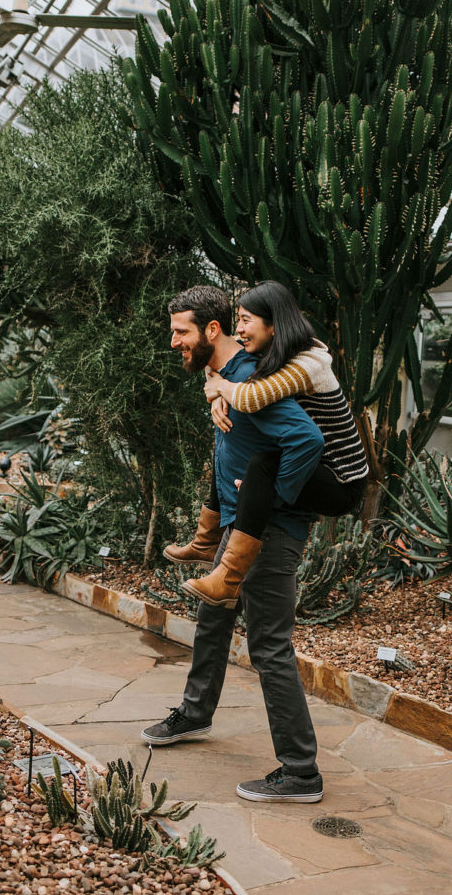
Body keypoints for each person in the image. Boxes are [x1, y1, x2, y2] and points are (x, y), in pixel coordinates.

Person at [142, 284, 326, 803]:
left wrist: (278, 499)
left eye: (181, 332)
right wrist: (211, 386)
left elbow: (307, 440)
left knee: (269, 645)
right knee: (213, 616)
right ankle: (196, 713)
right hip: (238, 528)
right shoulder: (226, 376)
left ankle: (301, 772)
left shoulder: (249, 379)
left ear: (213, 330)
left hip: (269, 531)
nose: (175, 341)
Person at [167, 280, 369, 607]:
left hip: (341, 478)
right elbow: (224, 363)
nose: (240, 329)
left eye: (246, 320)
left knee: (260, 465)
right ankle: (206, 539)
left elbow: (251, 396)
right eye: (239, 320)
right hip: (318, 467)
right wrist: (215, 383)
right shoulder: (274, 352)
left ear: (273, 325)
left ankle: (229, 576)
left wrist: (220, 389)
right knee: (233, 450)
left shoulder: (308, 363)